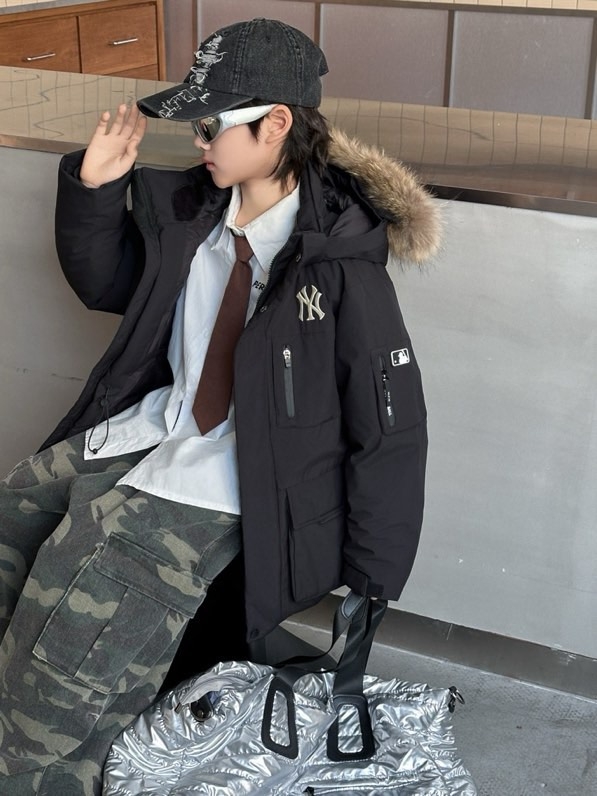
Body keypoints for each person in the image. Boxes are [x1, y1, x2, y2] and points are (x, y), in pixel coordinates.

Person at [0, 17, 440, 796]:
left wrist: (371, 583)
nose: (198, 142)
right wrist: (96, 190)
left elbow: (390, 429)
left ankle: (35, 754)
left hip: (240, 472)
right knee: (16, 508)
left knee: (82, 597)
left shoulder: (337, 264)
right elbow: (108, 285)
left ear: (276, 124)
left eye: (211, 125)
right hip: (155, 427)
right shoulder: (194, 214)